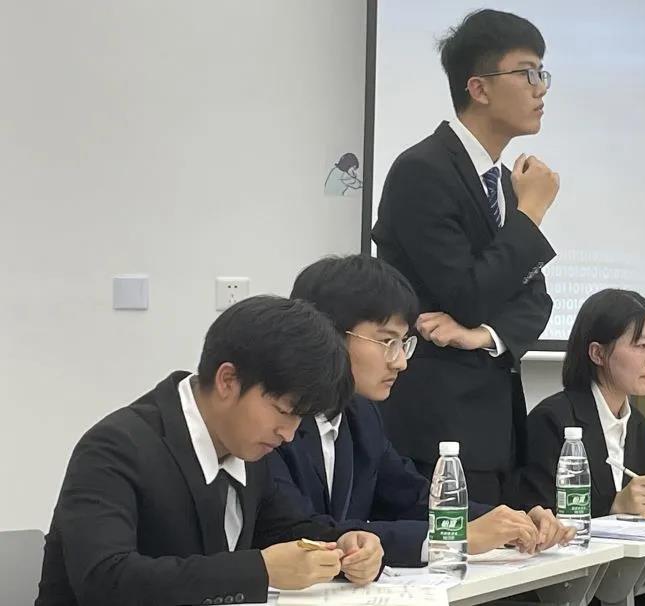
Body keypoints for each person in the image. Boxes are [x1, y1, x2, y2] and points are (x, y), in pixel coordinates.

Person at [36, 296, 384, 606]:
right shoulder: (116, 447)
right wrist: (259, 570)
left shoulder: (246, 448)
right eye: (283, 411)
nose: (289, 434)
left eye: (300, 419)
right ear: (227, 381)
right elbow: (105, 580)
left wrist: (345, 547)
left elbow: (286, 530)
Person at [271, 255, 574, 567]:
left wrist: (512, 522)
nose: (401, 362)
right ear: (329, 334)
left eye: (403, 343)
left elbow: (412, 498)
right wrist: (452, 538)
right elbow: (301, 531)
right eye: (386, 341)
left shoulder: (362, 415)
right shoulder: (275, 422)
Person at [371, 9, 560, 504]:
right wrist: (531, 214)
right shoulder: (422, 171)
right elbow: (468, 294)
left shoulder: (504, 181)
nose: (541, 88)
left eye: (543, 73)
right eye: (527, 73)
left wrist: (482, 335)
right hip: (435, 429)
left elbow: (536, 300)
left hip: (494, 429)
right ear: (478, 88)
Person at [513, 289, 645, 517]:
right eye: (641, 345)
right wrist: (613, 506)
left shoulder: (640, 428)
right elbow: (537, 515)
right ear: (597, 353)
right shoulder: (552, 420)